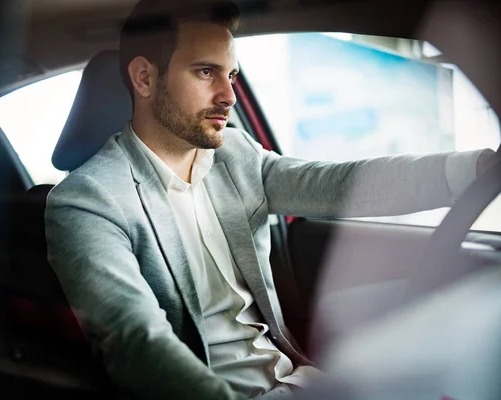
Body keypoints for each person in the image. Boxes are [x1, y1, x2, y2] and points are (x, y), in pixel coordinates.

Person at [44, 1, 498, 399]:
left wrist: (474, 171)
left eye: (232, 75)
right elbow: (135, 340)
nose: (229, 96)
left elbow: (341, 184)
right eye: (206, 72)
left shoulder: (234, 155)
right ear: (145, 77)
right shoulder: (87, 201)